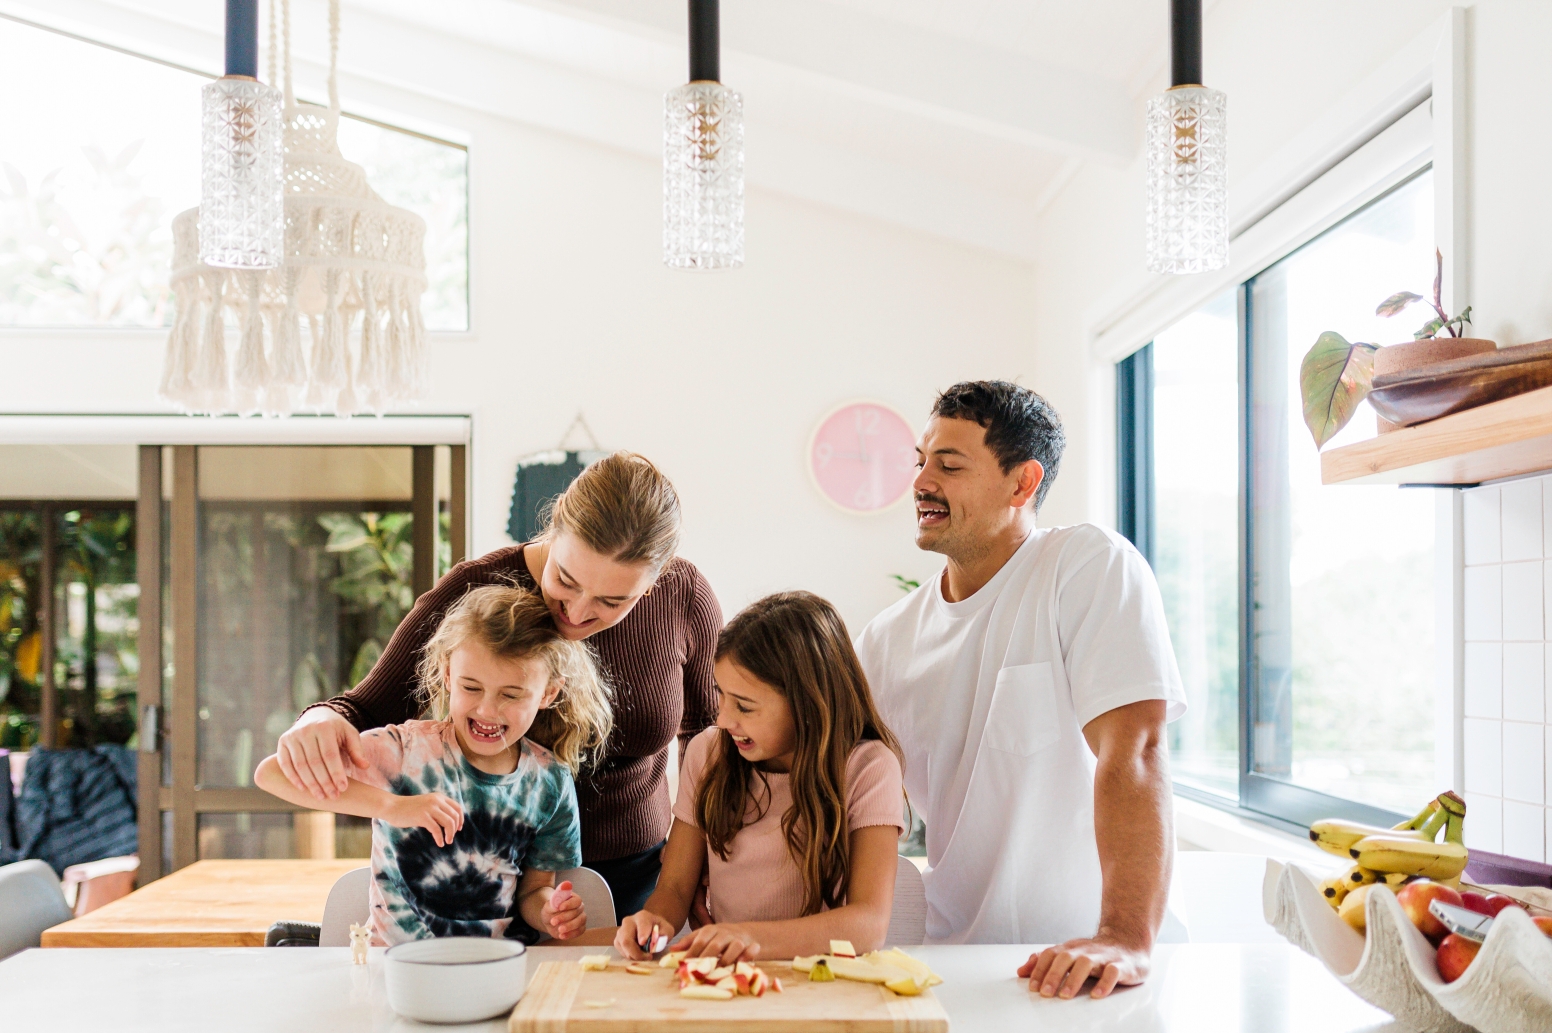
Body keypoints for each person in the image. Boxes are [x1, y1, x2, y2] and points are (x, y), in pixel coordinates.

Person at [273, 452, 722, 918]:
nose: (577, 612)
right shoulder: (475, 590)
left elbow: (711, 742)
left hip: (642, 876)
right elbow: (361, 708)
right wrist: (318, 721)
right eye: (565, 580)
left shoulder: (684, 596)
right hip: (487, 877)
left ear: (651, 586)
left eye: (612, 601)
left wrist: (694, 862)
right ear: (554, 527)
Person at [856, 380, 1186, 1000]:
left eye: (949, 465)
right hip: (959, 968)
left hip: (1102, 968)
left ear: (1022, 483)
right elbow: (850, 799)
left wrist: (1123, 936)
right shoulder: (884, 639)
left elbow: (1135, 749)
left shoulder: (1085, 566)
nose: (922, 481)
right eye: (921, 461)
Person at [254, 586, 611, 945]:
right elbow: (272, 775)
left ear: (548, 693)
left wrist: (550, 912)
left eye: (510, 695)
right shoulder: (406, 751)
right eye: (471, 687)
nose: (487, 710)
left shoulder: (550, 782)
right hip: (393, 972)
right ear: (447, 676)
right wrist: (393, 806)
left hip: (490, 972)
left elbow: (534, 892)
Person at [613, 592, 905, 965]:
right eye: (721, 696)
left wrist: (747, 937)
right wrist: (652, 922)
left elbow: (868, 924)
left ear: (808, 702)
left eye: (745, 706)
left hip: (824, 978)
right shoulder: (709, 753)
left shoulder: (868, 768)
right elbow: (674, 887)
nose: (723, 720)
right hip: (731, 978)